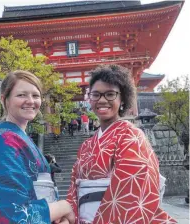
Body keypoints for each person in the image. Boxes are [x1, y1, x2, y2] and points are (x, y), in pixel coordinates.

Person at [67, 65, 176, 224]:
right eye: (96, 95)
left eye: (110, 94)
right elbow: (73, 190)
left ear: (122, 98)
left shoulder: (132, 136)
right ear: (89, 98)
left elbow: (133, 188)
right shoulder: (86, 146)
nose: (102, 100)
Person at [0, 70, 74, 224]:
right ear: (4, 99)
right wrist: (64, 206)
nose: (30, 101)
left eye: (35, 95)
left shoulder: (18, 140)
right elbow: (13, 215)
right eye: (21, 95)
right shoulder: (2, 143)